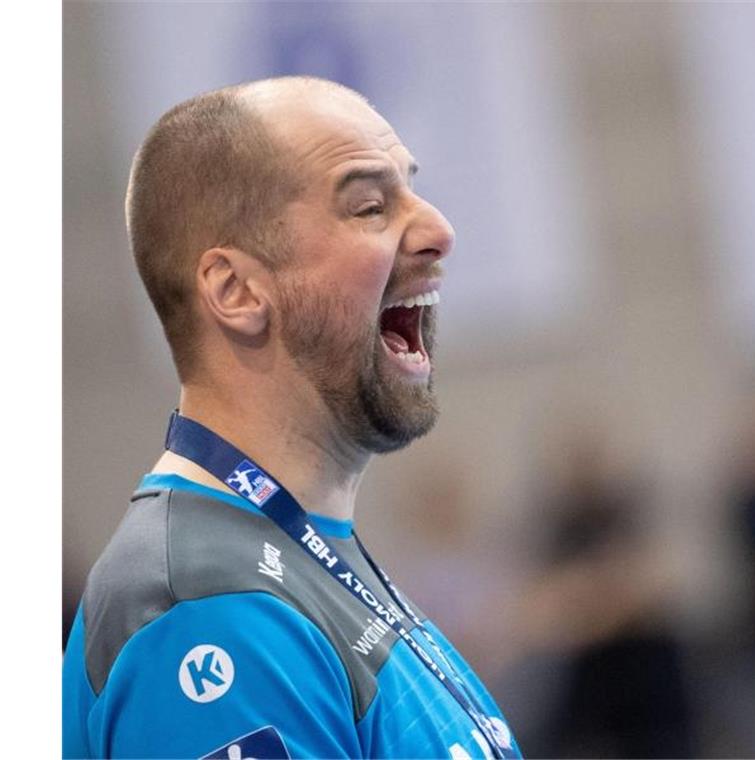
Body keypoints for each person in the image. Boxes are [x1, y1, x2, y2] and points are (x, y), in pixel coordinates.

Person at [62, 76, 521, 760]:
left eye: (411, 190)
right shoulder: (207, 606)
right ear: (237, 290)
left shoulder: (294, 557)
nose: (438, 230)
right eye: (370, 206)